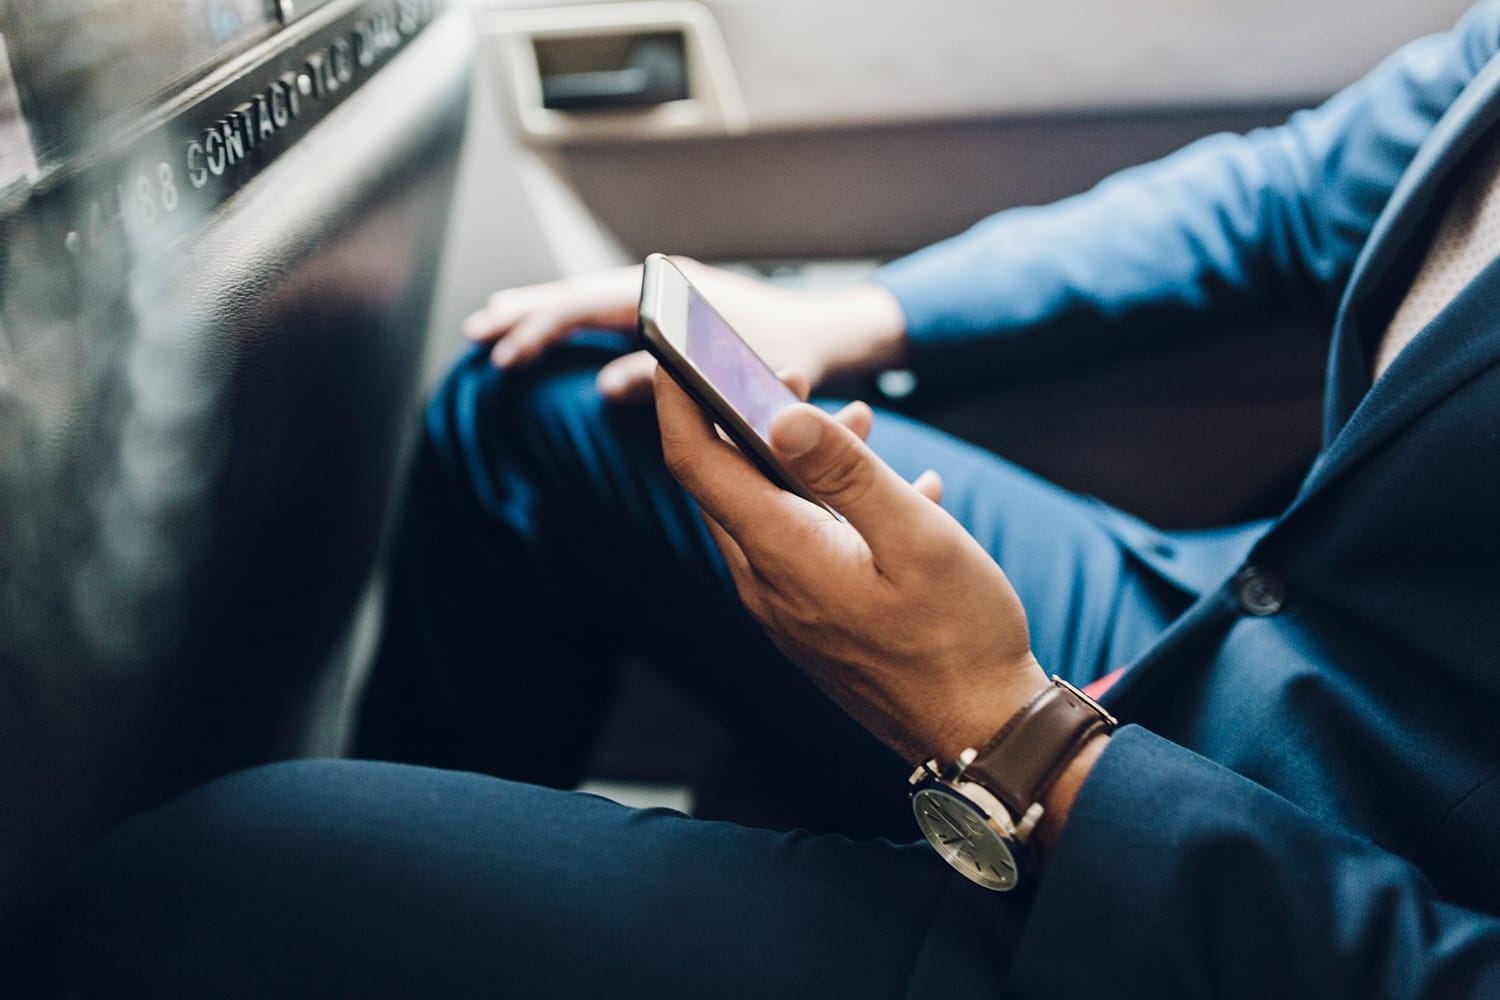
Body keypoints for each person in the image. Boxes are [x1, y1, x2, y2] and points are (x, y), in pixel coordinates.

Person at [41, 3, 1500, 996]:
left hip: (1269, 891)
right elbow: (1296, 198)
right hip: (1234, 623)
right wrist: (854, 318)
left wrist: (1015, 744)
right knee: (543, 406)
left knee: (199, 884)